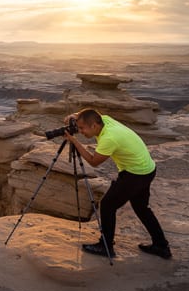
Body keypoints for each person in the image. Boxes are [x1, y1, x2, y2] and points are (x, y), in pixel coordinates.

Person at [62, 108, 172, 259]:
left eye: (82, 128)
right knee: (141, 208)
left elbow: (94, 162)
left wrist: (74, 141)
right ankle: (161, 246)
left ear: (94, 126)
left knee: (107, 205)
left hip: (135, 174)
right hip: (147, 169)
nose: (80, 131)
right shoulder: (105, 120)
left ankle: (105, 247)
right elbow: (90, 113)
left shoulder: (109, 138)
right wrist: (73, 116)